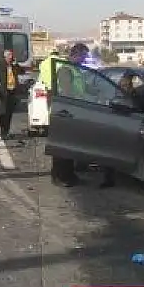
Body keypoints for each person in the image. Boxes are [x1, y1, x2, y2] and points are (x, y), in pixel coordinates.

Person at [49, 43, 93, 187]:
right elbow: (67, 91)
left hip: (74, 110)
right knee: (62, 147)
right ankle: (59, 176)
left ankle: (69, 174)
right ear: (77, 55)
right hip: (65, 111)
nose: (85, 59)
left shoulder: (77, 70)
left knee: (71, 147)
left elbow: (83, 89)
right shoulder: (65, 70)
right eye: (84, 56)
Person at [0, 48, 25, 141]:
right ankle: (3, 132)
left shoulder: (13, 65)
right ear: (5, 56)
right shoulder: (0, 64)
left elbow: (22, 71)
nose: (11, 57)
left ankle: (7, 131)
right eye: (9, 55)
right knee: (3, 112)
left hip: (12, 91)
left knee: (9, 112)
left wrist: (16, 64)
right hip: (3, 91)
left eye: (11, 55)